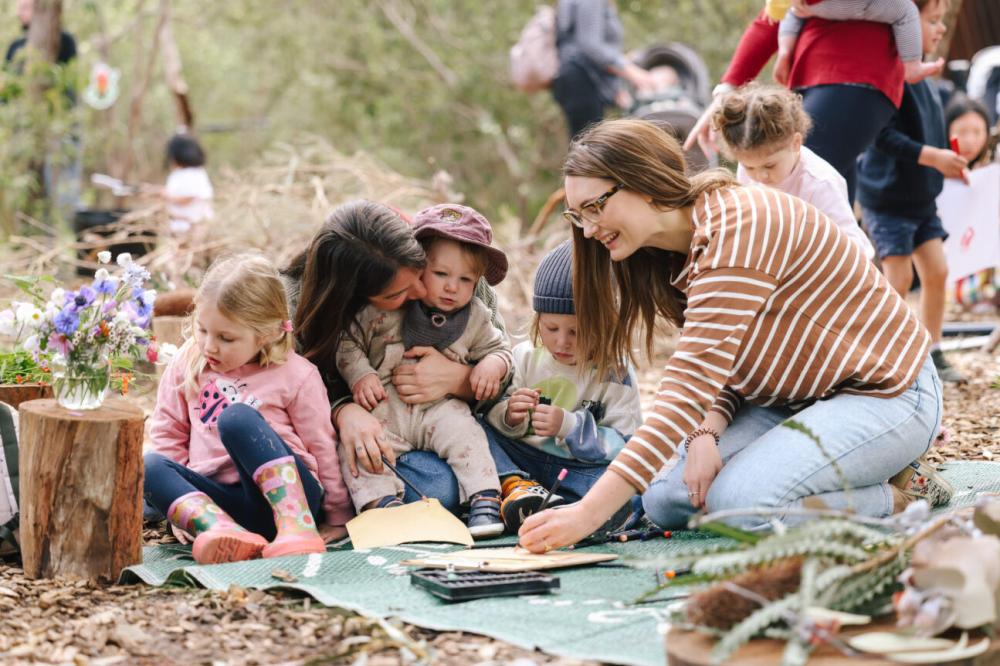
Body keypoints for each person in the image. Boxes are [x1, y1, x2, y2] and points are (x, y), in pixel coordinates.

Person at [518, 118, 950, 553]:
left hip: (885, 394)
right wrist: (706, 432)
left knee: (741, 506)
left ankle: (894, 495)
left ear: (644, 181)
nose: (589, 229)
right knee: (666, 498)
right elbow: (725, 362)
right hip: (792, 400)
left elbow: (687, 387)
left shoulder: (738, 229)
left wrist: (587, 515)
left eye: (595, 207)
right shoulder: (667, 256)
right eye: (579, 215)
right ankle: (831, 471)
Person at [282, 200, 509, 515]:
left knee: (454, 469)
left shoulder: (455, 267)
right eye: (395, 295)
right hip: (373, 430)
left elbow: (502, 365)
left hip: (441, 420)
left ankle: (497, 488)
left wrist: (460, 380)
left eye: (420, 273)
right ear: (356, 298)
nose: (419, 291)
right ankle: (383, 505)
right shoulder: (294, 309)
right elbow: (284, 395)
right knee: (436, 489)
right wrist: (341, 410)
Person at [144, 253, 352, 565]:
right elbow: (168, 433)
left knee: (237, 418)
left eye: (226, 338)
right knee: (148, 465)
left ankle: (297, 530)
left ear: (267, 333)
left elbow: (321, 445)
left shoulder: (297, 374)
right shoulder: (188, 362)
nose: (209, 346)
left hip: (287, 502)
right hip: (222, 505)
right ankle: (222, 532)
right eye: (202, 330)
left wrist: (337, 515)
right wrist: (179, 513)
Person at [686, 1, 915, 203]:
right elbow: (772, 15)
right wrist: (726, 91)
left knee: (787, 188)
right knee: (828, 206)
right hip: (809, 80)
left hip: (856, 74)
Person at [484, 240, 643, 532]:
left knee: (628, 494)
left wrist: (568, 427)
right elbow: (493, 412)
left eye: (577, 332)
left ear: (605, 326)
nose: (561, 342)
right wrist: (509, 415)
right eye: (551, 328)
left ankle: (558, 508)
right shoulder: (526, 357)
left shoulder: (614, 373)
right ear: (538, 320)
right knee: (475, 427)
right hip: (521, 461)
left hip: (576, 468)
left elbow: (624, 445)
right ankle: (518, 489)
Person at [857, 0, 967, 383]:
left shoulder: (928, 78)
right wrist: (932, 156)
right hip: (887, 200)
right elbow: (880, 136)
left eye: (940, 22)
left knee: (937, 271)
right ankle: (890, 356)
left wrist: (947, 161)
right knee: (898, 279)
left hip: (921, 199)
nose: (939, 30)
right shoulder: (889, 73)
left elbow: (932, 133)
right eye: (932, 21)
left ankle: (932, 351)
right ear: (903, 22)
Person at [712, 83, 875, 259]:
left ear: (795, 143)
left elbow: (855, 248)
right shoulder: (748, 168)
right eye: (749, 167)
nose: (761, 176)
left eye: (770, 166)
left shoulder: (819, 183)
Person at [773, 0, 943, 87]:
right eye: (935, 21)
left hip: (807, 4)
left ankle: (784, 50)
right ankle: (912, 66)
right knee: (905, 10)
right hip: (846, 4)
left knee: (795, 10)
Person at [551, 0, 654, 139]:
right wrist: (631, 72)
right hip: (582, 80)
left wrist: (614, 88)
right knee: (588, 148)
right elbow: (591, 47)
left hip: (574, 80)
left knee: (583, 145)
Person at [945, 96, 999, 309]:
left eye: (977, 132)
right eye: (962, 131)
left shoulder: (992, 168)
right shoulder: (935, 170)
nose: (970, 140)